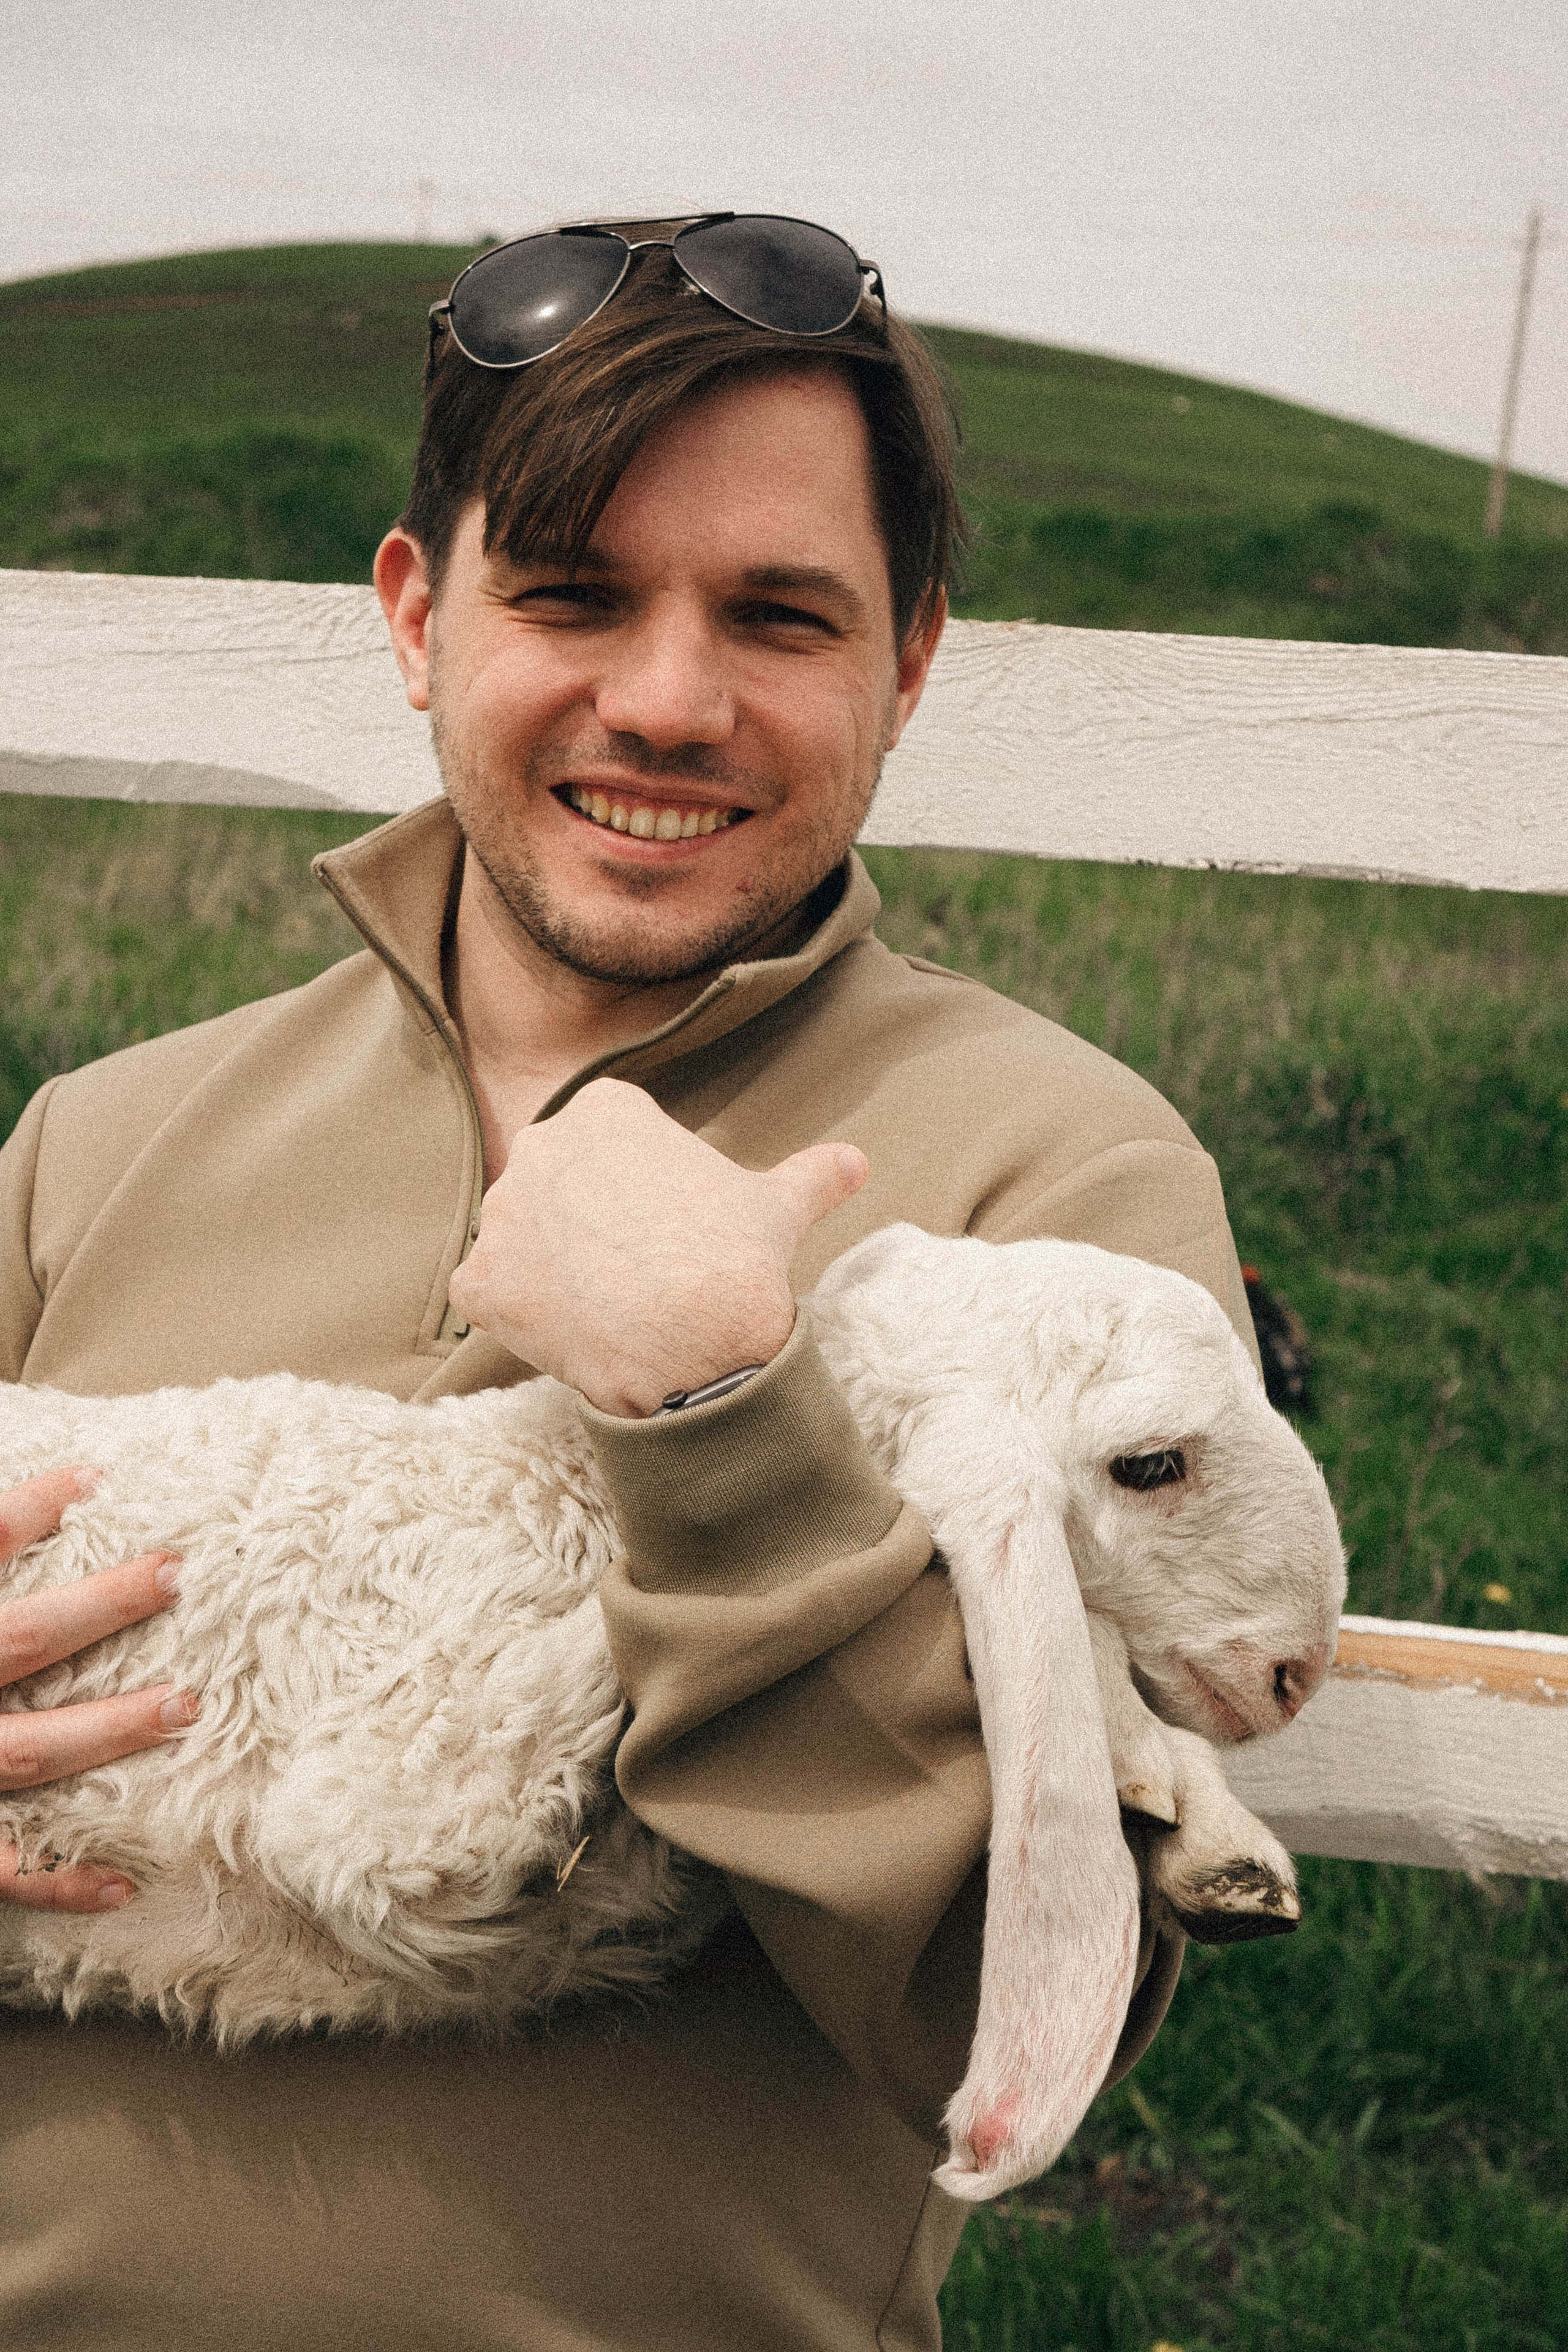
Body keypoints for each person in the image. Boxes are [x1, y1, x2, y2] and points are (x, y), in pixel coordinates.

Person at [0, 214, 1257, 2351]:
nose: (669, 703)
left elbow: (1006, 2011)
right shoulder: (97, 1145)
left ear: (911, 660)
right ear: (419, 617)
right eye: (572, 596)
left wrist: (720, 1416)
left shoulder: (1058, 1190)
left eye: (779, 614)